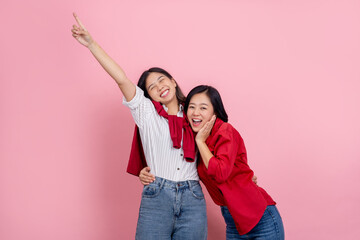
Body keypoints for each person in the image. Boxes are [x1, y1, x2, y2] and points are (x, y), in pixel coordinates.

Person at [71, 13, 207, 240]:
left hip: (193, 196)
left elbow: (219, 142)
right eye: (152, 86)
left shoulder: (194, 112)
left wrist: (242, 175)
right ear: (150, 95)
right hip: (158, 195)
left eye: (162, 79)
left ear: (172, 81)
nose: (159, 86)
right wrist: (91, 45)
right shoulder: (147, 114)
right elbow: (122, 79)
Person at [141, 85, 285, 239]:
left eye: (203, 108)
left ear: (215, 112)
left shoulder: (224, 131)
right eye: (191, 107)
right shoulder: (192, 139)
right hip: (234, 221)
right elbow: (179, 165)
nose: (196, 113)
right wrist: (145, 172)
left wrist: (201, 142)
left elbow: (220, 173)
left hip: (260, 218)